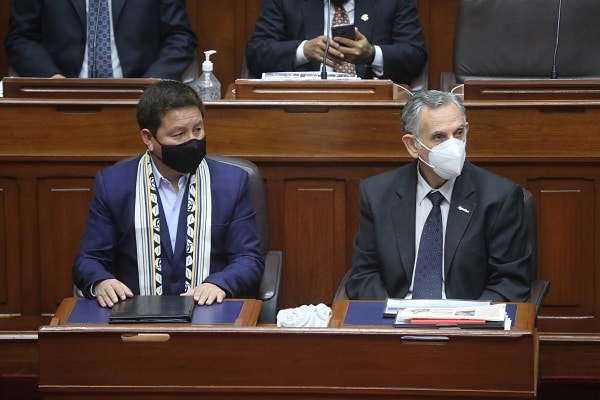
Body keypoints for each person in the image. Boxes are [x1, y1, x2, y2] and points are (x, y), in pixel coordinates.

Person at [72, 80, 264, 307]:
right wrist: (101, 281)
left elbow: (248, 258)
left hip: (210, 312)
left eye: (198, 130)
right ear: (148, 138)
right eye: (179, 134)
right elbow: (89, 259)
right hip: (136, 313)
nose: (192, 141)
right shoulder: (114, 184)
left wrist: (219, 284)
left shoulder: (232, 182)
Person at [345, 90, 531, 301]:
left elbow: (511, 283)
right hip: (396, 315)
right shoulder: (377, 194)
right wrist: (390, 315)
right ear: (412, 145)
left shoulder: (499, 197)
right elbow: (364, 276)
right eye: (439, 137)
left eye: (458, 133)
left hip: (466, 317)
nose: (453, 146)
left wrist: (466, 318)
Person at [245, 0, 427, 85]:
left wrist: (371, 55)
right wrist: (303, 51)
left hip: (372, 104)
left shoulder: (393, 2)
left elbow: (415, 55)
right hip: (302, 104)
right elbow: (256, 53)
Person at [4, 0, 198, 80]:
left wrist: (151, 83)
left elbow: (180, 37)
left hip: (141, 99)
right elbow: (20, 37)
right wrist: (52, 79)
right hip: (59, 97)